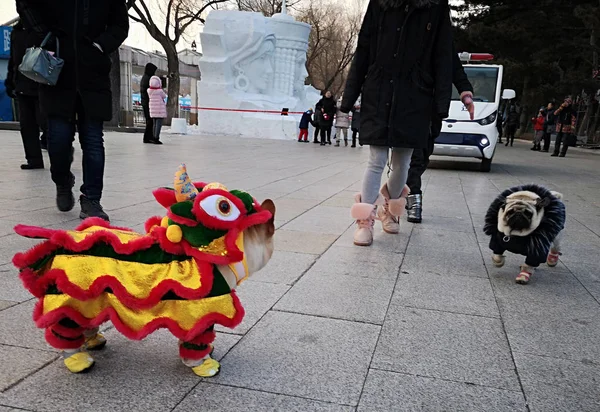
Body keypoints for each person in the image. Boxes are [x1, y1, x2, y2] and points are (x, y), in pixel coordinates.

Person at [340, 0, 453, 246]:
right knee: (377, 159)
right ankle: (365, 220)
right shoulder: (381, 3)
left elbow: (444, 54)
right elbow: (364, 48)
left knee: (403, 163)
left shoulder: (435, 6)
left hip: (415, 96)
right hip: (379, 92)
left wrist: (442, 104)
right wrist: (349, 97)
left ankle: (389, 210)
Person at [18, 0, 129, 221]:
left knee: (93, 141)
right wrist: (44, 34)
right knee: (57, 140)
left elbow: (120, 25)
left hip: (93, 72)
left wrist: (101, 45)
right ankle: (62, 180)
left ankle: (91, 199)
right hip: (57, 69)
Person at [405, 48, 474, 223]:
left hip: (433, 109)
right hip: (407, 106)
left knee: (424, 155)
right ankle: (413, 198)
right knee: (415, 157)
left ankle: (404, 191)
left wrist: (466, 93)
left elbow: (456, 70)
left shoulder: (443, 41)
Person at [5, 21, 45, 170]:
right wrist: (10, 81)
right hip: (22, 83)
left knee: (46, 122)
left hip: (42, 82)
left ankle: (61, 152)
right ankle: (34, 159)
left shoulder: (43, 28)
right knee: (27, 125)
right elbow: (13, 59)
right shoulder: (17, 32)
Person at [141, 63, 159, 144]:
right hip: (148, 102)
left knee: (149, 120)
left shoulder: (145, 78)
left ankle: (147, 137)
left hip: (146, 102)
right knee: (150, 120)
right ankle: (149, 137)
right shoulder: (148, 79)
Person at [148, 75, 167, 144]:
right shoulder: (160, 91)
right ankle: (156, 138)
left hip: (153, 110)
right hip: (159, 110)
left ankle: (153, 137)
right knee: (158, 125)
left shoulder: (149, 91)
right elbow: (164, 96)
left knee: (154, 124)